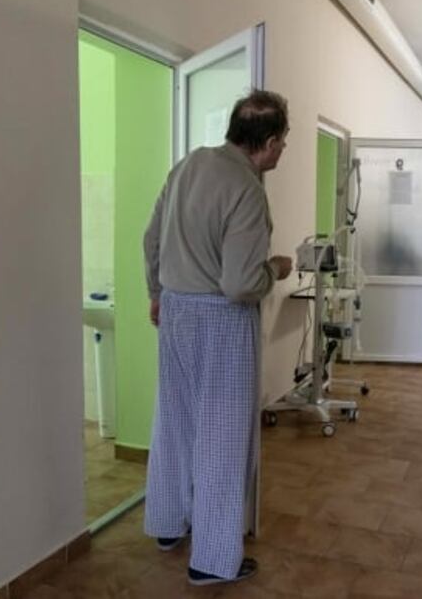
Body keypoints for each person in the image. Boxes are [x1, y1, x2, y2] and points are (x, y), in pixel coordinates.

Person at [142, 90, 293, 587]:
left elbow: (151, 238)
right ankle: (211, 560)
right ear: (267, 143)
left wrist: (157, 293)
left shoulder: (187, 166)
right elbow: (240, 284)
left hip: (176, 312)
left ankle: (168, 523)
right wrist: (275, 269)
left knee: (175, 422)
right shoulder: (247, 189)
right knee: (222, 441)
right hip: (221, 321)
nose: (282, 151)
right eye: (282, 142)